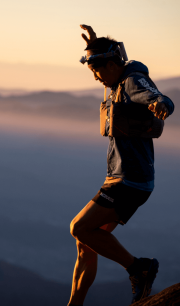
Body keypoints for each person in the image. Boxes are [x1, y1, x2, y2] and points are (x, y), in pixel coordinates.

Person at [67, 25, 175, 306]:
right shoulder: (116, 81)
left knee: (78, 228)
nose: (95, 76)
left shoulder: (132, 81)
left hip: (131, 181)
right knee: (86, 243)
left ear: (114, 64)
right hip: (119, 178)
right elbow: (107, 63)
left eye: (98, 69)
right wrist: (94, 48)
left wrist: (161, 102)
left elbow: (156, 95)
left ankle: (139, 267)